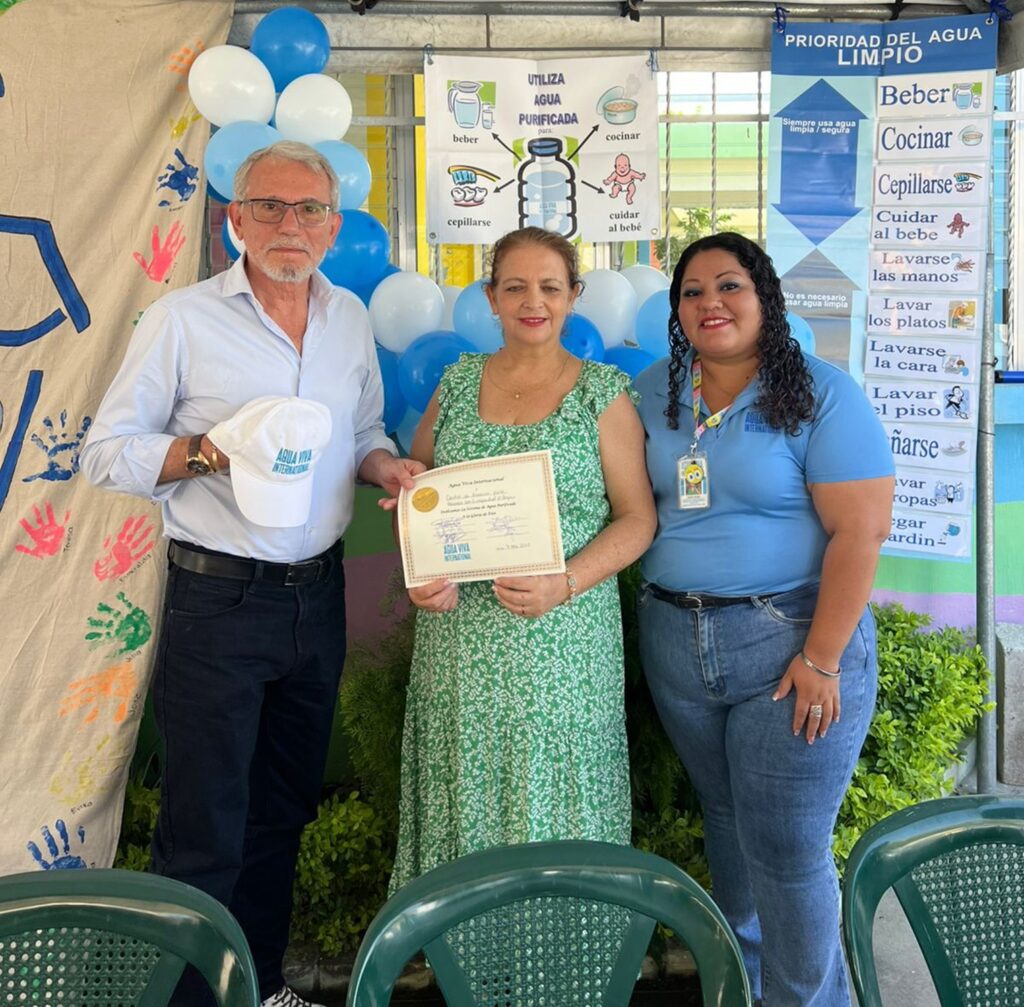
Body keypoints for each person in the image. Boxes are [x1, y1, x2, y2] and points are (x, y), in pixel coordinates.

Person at [81, 140, 422, 1007]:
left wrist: (385, 469)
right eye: (268, 206)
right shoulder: (183, 319)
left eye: (309, 209)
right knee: (204, 827)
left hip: (317, 597)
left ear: (334, 226)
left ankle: (262, 985)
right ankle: (190, 1001)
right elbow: (104, 454)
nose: (289, 224)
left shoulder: (348, 319)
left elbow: (363, 434)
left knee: (282, 811)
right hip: (217, 598)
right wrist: (206, 450)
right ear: (234, 218)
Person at [633, 232, 894, 1007]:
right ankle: (749, 987)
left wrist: (820, 658)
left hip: (791, 642)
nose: (710, 302)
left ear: (765, 298)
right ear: (676, 311)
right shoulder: (652, 392)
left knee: (786, 846)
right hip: (676, 641)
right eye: (692, 291)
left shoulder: (821, 391)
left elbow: (863, 529)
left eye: (730, 285)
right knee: (728, 822)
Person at [388, 226, 656, 891]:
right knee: (466, 803)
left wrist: (564, 583)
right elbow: (420, 486)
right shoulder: (456, 384)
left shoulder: (602, 394)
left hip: (562, 645)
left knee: (559, 814)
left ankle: (565, 965)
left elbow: (638, 519)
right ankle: (472, 970)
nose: (532, 301)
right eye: (515, 287)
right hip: (459, 647)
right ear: (491, 297)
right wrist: (421, 570)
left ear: (573, 297)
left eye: (549, 286)